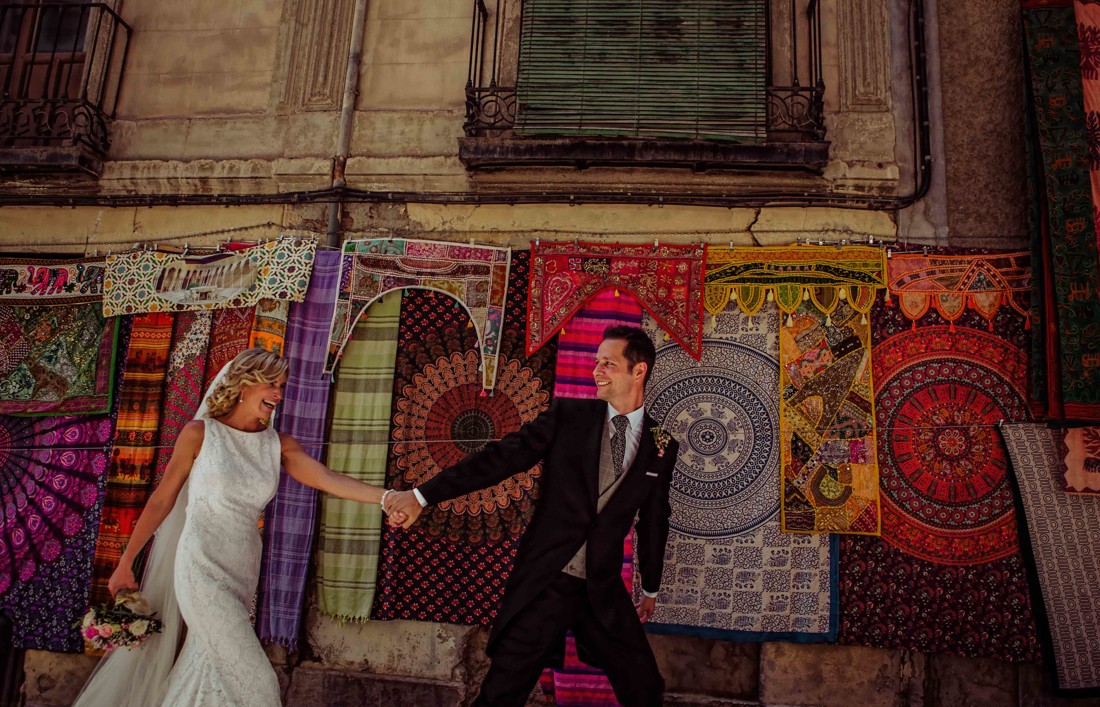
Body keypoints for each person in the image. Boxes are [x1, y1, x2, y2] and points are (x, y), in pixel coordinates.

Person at [74, 348, 404, 707]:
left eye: (282, 386)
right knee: (258, 683)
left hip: (242, 571)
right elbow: (160, 501)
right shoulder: (200, 434)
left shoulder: (278, 445)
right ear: (244, 385)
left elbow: (327, 479)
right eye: (271, 384)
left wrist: (387, 498)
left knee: (206, 674)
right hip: (200, 567)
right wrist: (125, 563)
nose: (279, 394)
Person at [385, 325, 678, 707]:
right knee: (502, 693)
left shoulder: (662, 445)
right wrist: (422, 496)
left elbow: (655, 519)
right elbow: (500, 459)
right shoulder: (570, 416)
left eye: (608, 364)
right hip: (548, 582)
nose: (597, 371)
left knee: (645, 687)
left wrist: (650, 588)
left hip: (601, 590)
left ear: (638, 372)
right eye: (595, 363)